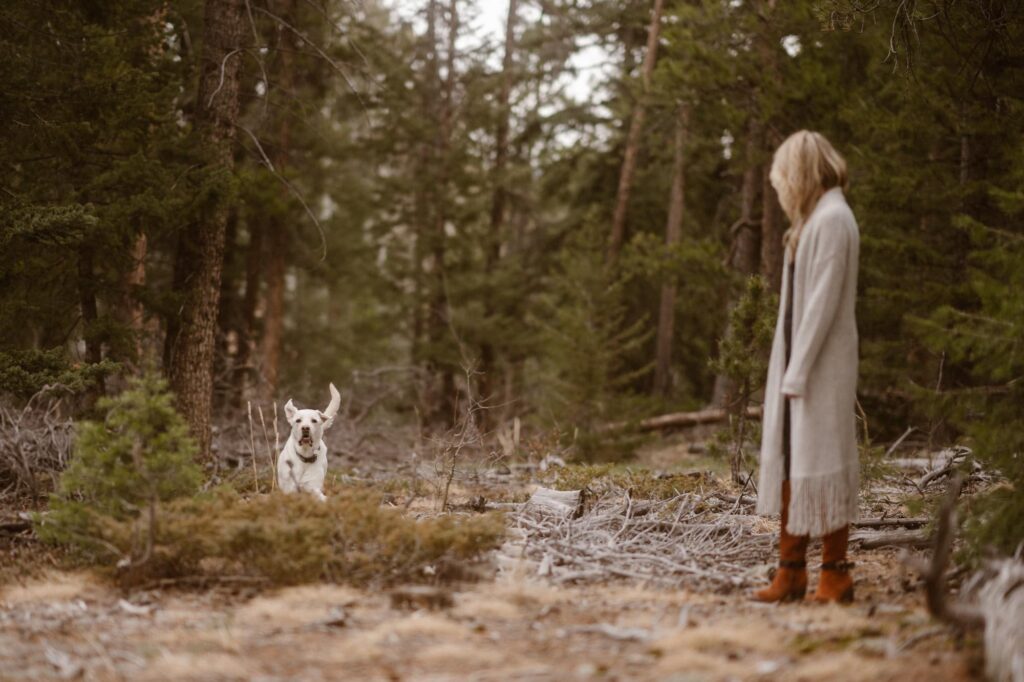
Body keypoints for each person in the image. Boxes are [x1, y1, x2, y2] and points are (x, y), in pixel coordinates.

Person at [753, 130, 860, 604]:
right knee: (797, 461)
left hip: (820, 367)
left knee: (825, 462)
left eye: (783, 180)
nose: (780, 192)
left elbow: (821, 304)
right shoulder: (814, 219)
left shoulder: (834, 219)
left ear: (800, 174)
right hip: (801, 364)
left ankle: (835, 575)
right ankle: (791, 569)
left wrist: (797, 373)